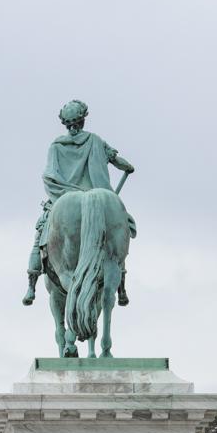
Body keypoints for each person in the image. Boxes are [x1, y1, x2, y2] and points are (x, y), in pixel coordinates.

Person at [24, 100, 135, 307]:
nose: (74, 128)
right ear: (83, 120)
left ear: (66, 124)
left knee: (40, 232)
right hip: (98, 193)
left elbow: (49, 175)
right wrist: (128, 168)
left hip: (63, 196)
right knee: (119, 232)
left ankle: (32, 285)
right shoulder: (95, 141)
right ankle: (121, 287)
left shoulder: (57, 146)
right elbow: (119, 161)